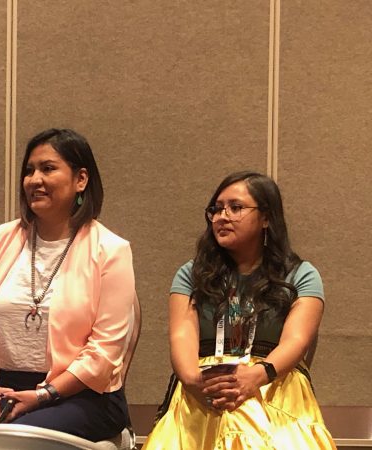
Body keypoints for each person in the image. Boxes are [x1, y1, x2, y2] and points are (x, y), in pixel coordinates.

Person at [0, 128, 135, 442]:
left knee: (15, 442)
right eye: (29, 171)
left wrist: (44, 395)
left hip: (80, 392)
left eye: (48, 168)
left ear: (81, 179)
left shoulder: (111, 250)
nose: (34, 179)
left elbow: (104, 354)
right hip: (0, 383)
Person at [143, 171, 335, 450]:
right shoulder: (191, 273)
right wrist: (194, 382)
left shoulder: (300, 275)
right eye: (217, 209)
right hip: (204, 389)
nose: (222, 216)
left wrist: (255, 377)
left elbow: (297, 341)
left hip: (273, 386)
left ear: (266, 217)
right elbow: (181, 337)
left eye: (236, 207)